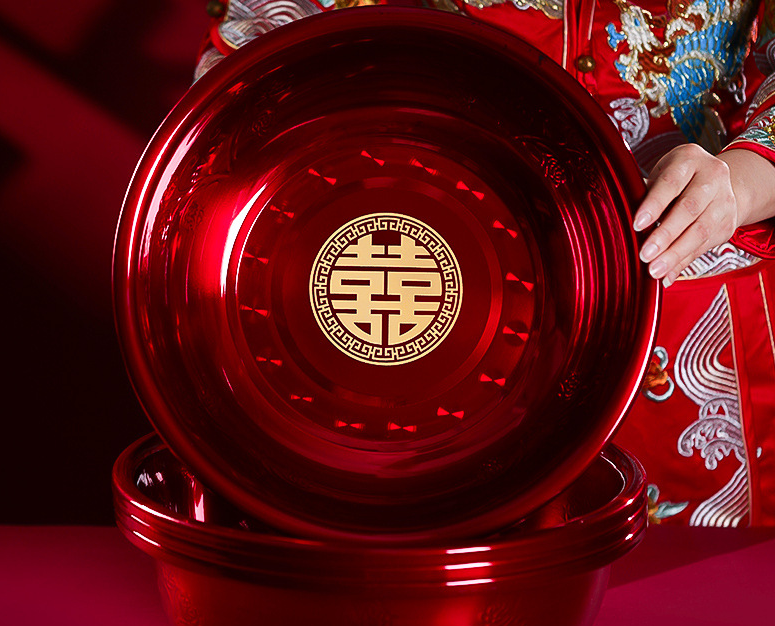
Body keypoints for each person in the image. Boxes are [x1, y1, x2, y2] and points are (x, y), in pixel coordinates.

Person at [197, 0, 775, 527]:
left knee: (693, 596)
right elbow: (255, 49)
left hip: (693, 324)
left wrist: (741, 181)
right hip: (434, 300)